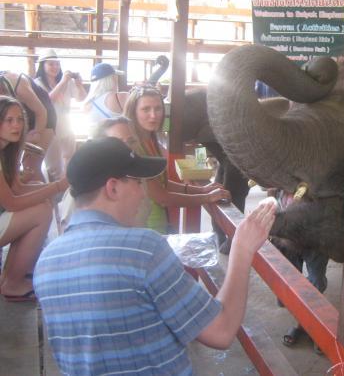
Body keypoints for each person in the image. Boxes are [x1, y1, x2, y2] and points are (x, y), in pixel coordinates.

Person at [33, 137, 276, 375]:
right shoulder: (143, 249)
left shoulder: (45, 261)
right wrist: (242, 250)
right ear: (113, 187)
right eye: (138, 182)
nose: (143, 194)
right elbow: (221, 331)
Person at [123, 85, 231, 233]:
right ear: (133, 112)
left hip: (159, 223)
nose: (153, 115)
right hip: (146, 227)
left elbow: (162, 183)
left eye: (158, 108)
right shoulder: (135, 146)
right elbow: (162, 197)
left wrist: (201, 190)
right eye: (146, 109)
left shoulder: (151, 139)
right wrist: (205, 197)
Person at [0, 96, 68, 301]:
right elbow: (11, 202)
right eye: (9, 120)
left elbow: (17, 188)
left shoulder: (6, 150)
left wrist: (45, 187)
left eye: (20, 119)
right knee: (41, 211)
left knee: (40, 194)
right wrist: (58, 186)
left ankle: (11, 276)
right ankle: (13, 284)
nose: (17, 125)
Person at [57, 116, 142, 232]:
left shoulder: (138, 178)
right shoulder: (83, 188)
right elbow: (67, 236)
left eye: (131, 141)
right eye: (117, 142)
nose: (128, 147)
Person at [34, 49, 87, 181]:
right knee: (54, 167)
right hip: (49, 129)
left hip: (67, 126)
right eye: (51, 64)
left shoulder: (67, 81)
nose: (55, 67)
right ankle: (54, 192)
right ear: (42, 65)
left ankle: (67, 191)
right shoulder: (38, 83)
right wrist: (62, 82)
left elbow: (81, 98)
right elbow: (47, 100)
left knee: (70, 160)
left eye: (57, 64)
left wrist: (79, 85)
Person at [0, 70, 56, 181]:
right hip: (18, 117)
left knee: (31, 166)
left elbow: (41, 112)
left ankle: (46, 197)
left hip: (44, 116)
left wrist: (36, 133)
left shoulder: (19, 84)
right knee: (12, 165)